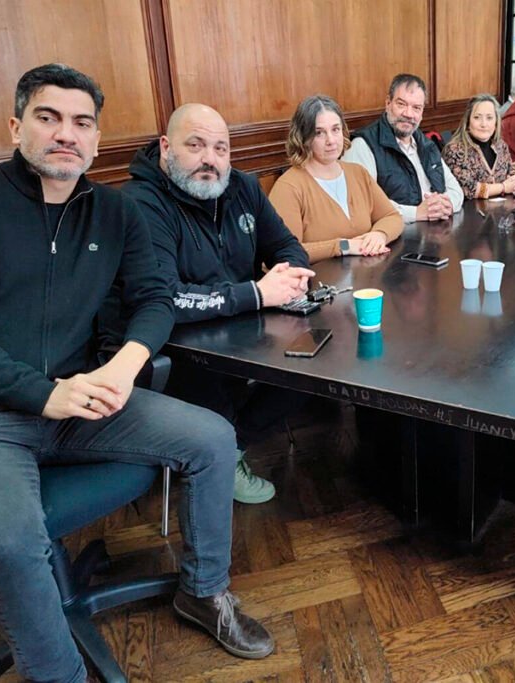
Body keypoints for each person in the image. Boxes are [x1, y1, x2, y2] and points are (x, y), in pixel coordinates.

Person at [0, 64, 273, 683]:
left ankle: (203, 593)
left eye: (82, 122)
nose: (67, 133)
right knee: (10, 540)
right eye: (49, 117)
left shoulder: (113, 211)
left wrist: (123, 366)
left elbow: (155, 300)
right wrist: (43, 393)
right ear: (16, 127)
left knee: (214, 439)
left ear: (95, 138)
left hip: (83, 400)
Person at [118, 103, 315, 505]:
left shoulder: (243, 187)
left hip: (244, 324)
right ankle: (220, 458)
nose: (210, 159)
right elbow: (165, 297)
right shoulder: (140, 202)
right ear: (166, 147)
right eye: (196, 145)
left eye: (220, 148)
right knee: (208, 379)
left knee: (313, 362)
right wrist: (257, 294)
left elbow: (287, 245)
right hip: (176, 339)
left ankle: (233, 447)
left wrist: (292, 274)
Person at [268, 95, 402, 263]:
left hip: (366, 273)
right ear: (303, 138)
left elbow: (392, 216)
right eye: (319, 133)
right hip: (317, 278)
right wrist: (342, 246)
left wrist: (380, 234)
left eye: (335, 129)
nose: (331, 140)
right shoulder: (288, 187)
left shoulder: (358, 173)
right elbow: (286, 252)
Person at [343, 73, 464, 223]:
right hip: (395, 233)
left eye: (416, 108)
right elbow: (362, 202)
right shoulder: (363, 145)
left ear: (422, 113)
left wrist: (446, 205)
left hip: (438, 229)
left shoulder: (427, 144)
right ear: (388, 103)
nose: (408, 114)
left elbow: (455, 190)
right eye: (401, 104)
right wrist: (416, 213)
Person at [442, 93, 515, 199]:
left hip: (502, 207)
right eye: (477, 117)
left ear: (496, 122)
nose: (483, 124)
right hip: (469, 208)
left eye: (489, 118)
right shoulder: (455, 150)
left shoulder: (500, 145)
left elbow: (511, 173)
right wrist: (503, 187)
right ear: (468, 121)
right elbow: (468, 189)